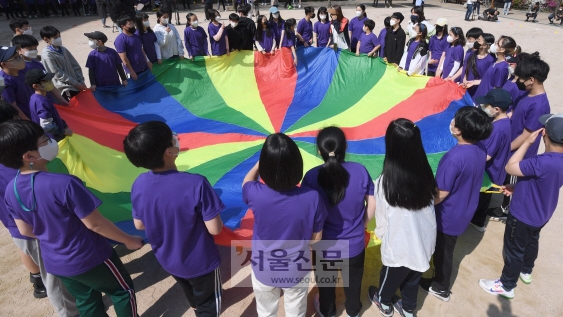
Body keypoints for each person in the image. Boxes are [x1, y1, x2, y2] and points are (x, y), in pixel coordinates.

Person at [0, 120, 143, 316]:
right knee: (122, 291)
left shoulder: (11, 189)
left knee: (87, 301)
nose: (51, 142)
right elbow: (95, 224)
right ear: (29, 156)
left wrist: (54, 233)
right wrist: (129, 240)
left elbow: (25, 231)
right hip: (91, 256)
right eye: (44, 141)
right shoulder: (65, 184)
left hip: (56, 262)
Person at [124, 121, 224, 315]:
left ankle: (195, 307)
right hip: (200, 262)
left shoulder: (139, 183)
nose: (176, 139)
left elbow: (139, 224)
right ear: (168, 152)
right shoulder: (196, 184)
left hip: (168, 259)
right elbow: (215, 229)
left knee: (190, 290)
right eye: (173, 138)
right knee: (210, 303)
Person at [479, 113, 563, 299]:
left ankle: (507, 285)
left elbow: (510, 167)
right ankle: (526, 270)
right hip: (543, 213)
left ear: (544, 133)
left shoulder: (540, 162)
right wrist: (517, 188)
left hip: (522, 215)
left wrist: (526, 143)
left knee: (513, 249)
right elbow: (544, 182)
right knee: (531, 241)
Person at [0, 100, 80, 315]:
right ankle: (68, 312)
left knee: (59, 272)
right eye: (15, 121)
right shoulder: (13, 167)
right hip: (34, 229)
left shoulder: (14, 159)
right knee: (54, 277)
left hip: (33, 227)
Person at [242, 133, 324, 317]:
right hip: (296, 269)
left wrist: (259, 164)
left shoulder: (255, 194)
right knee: (296, 308)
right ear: (298, 165)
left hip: (263, 268)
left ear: (265, 166)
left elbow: (246, 182)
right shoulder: (312, 198)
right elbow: (317, 239)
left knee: (265, 309)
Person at [419, 106, 492, 302]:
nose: (451, 122)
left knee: (444, 252)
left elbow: (440, 193)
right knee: (446, 248)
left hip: (448, 215)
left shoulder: (453, 158)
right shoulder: (480, 148)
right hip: (465, 207)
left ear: (458, 130)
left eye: (454, 121)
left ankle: (440, 287)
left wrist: (420, 207)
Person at [302, 127, 375, 317]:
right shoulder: (360, 171)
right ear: (345, 147)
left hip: (324, 246)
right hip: (355, 245)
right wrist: (363, 225)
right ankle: (353, 311)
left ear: (319, 151)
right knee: (354, 281)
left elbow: (307, 213)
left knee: (326, 284)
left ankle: (328, 311)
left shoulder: (310, 177)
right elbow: (372, 204)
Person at [368, 118, 437, 317]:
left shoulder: (385, 182)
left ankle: (384, 303)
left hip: (399, 247)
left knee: (389, 278)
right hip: (423, 242)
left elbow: (382, 219)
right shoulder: (426, 174)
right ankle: (408, 310)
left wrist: (381, 235)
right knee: (413, 277)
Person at [488, 55, 551, 222]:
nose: (519, 81)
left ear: (532, 80)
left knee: (513, 178)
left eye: (522, 78)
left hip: (519, 152)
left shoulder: (539, 105)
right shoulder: (527, 95)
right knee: (506, 178)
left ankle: (505, 209)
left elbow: (526, 135)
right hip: (510, 144)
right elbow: (514, 113)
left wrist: (504, 148)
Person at [469, 89, 512, 232]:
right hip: (496, 170)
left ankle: (478, 221)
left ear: (496, 109)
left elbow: (487, 156)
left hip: (488, 172)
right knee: (484, 198)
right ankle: (478, 220)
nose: (484, 107)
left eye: (487, 105)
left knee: (480, 198)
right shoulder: (505, 122)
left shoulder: (497, 129)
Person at [12, 35, 68, 106]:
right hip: (34, 104)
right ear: (19, 50)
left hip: (48, 100)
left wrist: (61, 99)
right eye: (30, 49)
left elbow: (48, 83)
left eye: (35, 48)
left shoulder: (37, 64)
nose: (34, 51)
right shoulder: (18, 69)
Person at [39, 26, 86, 100]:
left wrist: (81, 80)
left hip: (76, 85)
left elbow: (75, 65)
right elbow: (57, 74)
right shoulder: (47, 55)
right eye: (55, 37)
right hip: (65, 88)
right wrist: (75, 84)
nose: (59, 39)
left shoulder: (63, 49)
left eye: (59, 36)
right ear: (46, 39)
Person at [25, 68, 72, 142]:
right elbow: (46, 126)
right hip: (54, 140)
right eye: (45, 81)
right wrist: (63, 131)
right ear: (36, 86)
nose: (50, 82)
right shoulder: (42, 101)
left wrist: (64, 125)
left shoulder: (34, 97)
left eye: (50, 79)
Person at [473, 35, 519, 100]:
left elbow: (497, 89)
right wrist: (474, 82)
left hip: (485, 101)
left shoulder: (502, 67)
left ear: (502, 49)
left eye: (497, 44)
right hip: (479, 96)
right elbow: (489, 80)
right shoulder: (495, 61)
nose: (494, 45)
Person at [114, 16, 153, 81]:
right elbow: (123, 58)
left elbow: (141, 49)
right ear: (123, 26)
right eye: (130, 24)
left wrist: (147, 62)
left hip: (144, 67)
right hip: (134, 72)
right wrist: (131, 71)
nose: (132, 26)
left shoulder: (136, 36)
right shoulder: (120, 40)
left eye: (133, 23)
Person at [0, 46, 34, 120]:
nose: (20, 59)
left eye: (19, 56)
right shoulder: (4, 82)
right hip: (27, 117)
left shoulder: (21, 69)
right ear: (4, 64)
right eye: (15, 58)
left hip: (36, 111)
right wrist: (29, 122)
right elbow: (13, 106)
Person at [463, 33, 496, 97]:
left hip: (478, 90)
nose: (476, 42)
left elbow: (488, 78)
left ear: (485, 45)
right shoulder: (472, 54)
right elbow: (467, 69)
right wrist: (465, 79)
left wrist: (473, 83)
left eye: (479, 40)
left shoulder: (490, 60)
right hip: (467, 86)